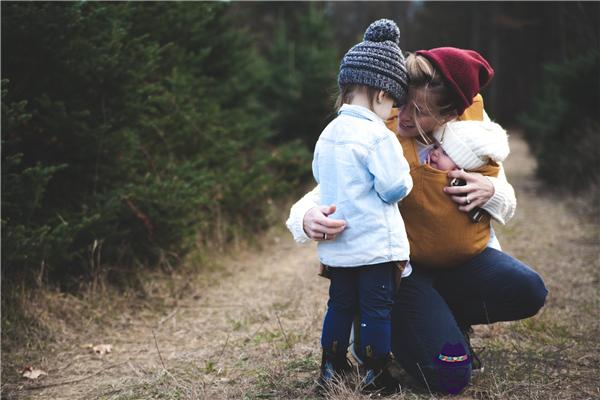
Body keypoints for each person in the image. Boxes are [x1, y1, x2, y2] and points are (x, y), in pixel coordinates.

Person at [286, 47, 548, 394]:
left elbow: (506, 198)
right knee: (449, 378)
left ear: (450, 114)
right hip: (402, 273)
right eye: (402, 103)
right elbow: (332, 186)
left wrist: (492, 191)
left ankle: (445, 318)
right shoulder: (380, 132)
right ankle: (400, 325)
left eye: (419, 111)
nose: (404, 116)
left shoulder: (471, 136)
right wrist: (305, 217)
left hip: (462, 264)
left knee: (529, 289)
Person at [312, 19, 412, 389]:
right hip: (374, 247)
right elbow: (393, 188)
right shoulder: (377, 135)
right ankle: (375, 372)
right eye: (394, 103)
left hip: (339, 248)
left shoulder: (328, 133)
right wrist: (405, 172)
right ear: (382, 94)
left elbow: (321, 179)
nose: (393, 113)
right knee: (375, 310)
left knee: (339, 305)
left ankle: (331, 367)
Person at [406, 119, 510, 268]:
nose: (434, 153)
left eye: (445, 154)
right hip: (418, 257)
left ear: (463, 168)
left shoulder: (477, 170)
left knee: (529, 283)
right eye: (435, 147)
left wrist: (493, 191)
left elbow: (508, 204)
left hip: (471, 254)